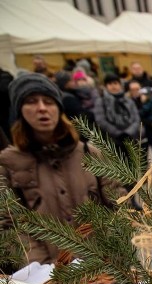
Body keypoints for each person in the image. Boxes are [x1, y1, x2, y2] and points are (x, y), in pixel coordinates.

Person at [0, 74, 122, 264]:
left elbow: (119, 207)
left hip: (101, 271)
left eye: (48, 101)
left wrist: (109, 257)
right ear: (19, 111)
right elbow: (9, 226)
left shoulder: (90, 154)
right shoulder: (8, 164)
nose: (42, 108)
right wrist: (43, 268)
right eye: (31, 101)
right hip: (44, 277)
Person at [93, 73, 141, 154]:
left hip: (131, 139)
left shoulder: (128, 100)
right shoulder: (101, 101)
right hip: (112, 140)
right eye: (110, 84)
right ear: (106, 86)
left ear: (120, 85)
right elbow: (100, 120)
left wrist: (128, 132)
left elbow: (136, 118)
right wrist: (118, 133)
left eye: (115, 83)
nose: (113, 86)